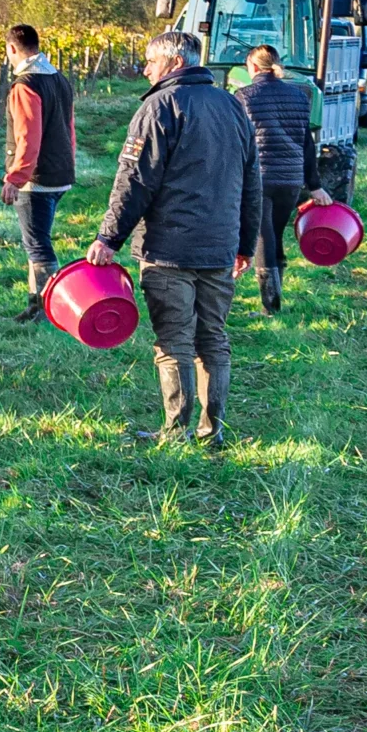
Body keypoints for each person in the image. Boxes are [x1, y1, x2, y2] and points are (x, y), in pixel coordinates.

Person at [89, 31, 261, 447]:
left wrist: (108, 237)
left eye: (150, 61)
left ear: (174, 62)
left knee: (174, 341)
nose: (145, 69)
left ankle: (175, 430)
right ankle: (211, 429)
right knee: (213, 339)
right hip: (219, 245)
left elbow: (134, 180)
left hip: (168, 249)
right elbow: (252, 180)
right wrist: (245, 242)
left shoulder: (158, 106)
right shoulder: (232, 105)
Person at [231, 43, 327, 314]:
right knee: (274, 234)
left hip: (259, 178)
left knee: (263, 236)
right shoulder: (298, 96)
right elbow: (306, 143)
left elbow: (236, 142)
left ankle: (269, 306)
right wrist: (315, 185)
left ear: (252, 67)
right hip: (291, 179)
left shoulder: (244, 96)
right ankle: (275, 298)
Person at [0, 24, 77, 322]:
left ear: (12, 49)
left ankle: (49, 308)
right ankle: (35, 305)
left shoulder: (25, 85)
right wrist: (68, 165)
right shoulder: (59, 79)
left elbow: (28, 137)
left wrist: (15, 178)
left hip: (36, 179)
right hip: (59, 173)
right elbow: (69, 129)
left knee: (37, 245)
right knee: (37, 241)